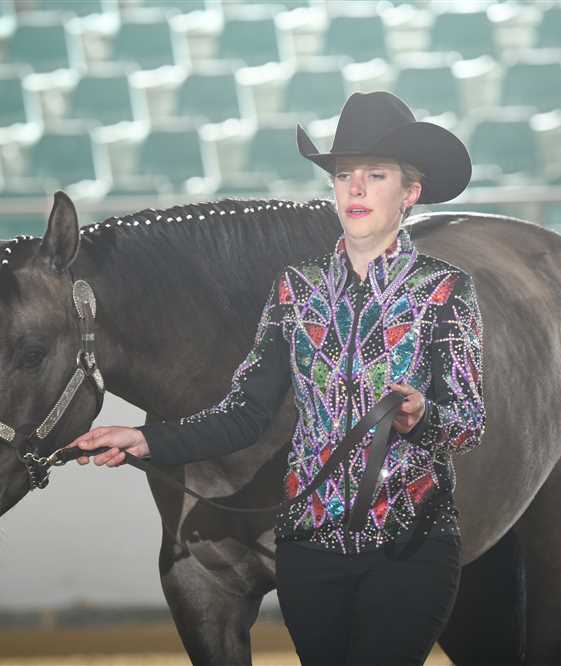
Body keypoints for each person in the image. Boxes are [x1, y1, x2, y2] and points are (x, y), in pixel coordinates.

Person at [71, 91, 486, 665]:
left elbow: (468, 424)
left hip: (411, 548)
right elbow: (244, 414)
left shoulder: (446, 290)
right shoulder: (296, 288)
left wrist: (422, 415)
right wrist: (145, 440)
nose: (356, 189)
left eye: (375, 175)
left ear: (409, 191)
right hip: (308, 553)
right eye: (343, 175)